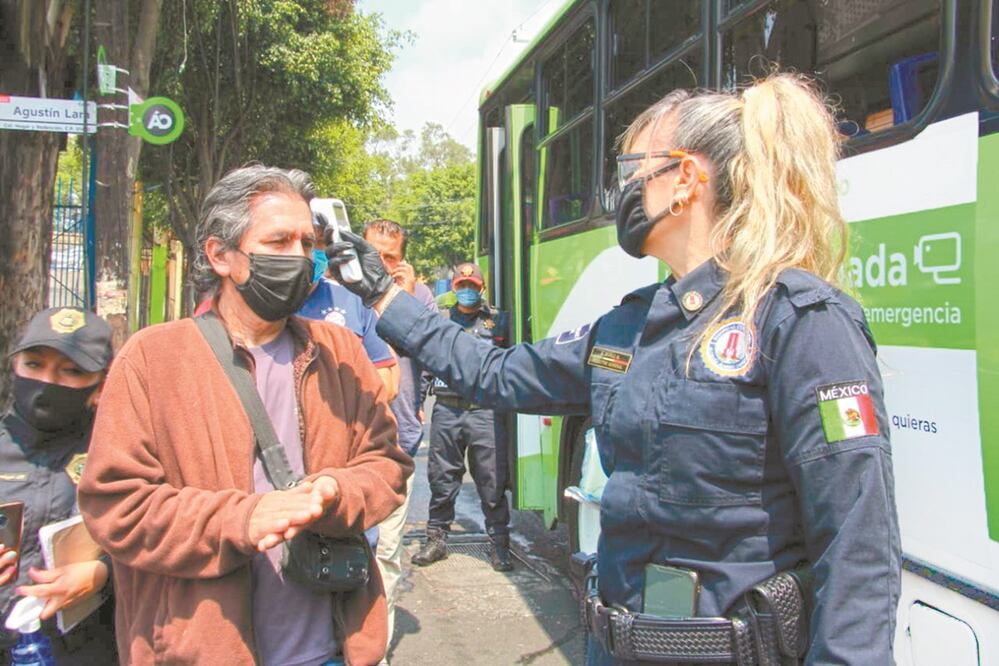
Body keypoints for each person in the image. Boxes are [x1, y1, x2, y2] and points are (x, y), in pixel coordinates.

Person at [327, 74, 901, 665]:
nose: (622, 188)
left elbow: (857, 545)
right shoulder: (631, 326)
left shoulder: (802, 320)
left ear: (685, 178)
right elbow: (496, 373)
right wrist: (383, 296)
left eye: (633, 169)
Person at [77, 165, 413, 666]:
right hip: (201, 651)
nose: (299, 257)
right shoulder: (152, 359)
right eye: (279, 242)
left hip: (331, 648)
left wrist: (335, 492)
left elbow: (387, 465)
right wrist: (241, 518)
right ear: (221, 255)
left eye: (307, 243)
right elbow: (117, 506)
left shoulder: (340, 350)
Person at [0, 307, 116, 664]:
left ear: (101, 385)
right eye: (34, 364)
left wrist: (103, 575)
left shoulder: (121, 454)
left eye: (72, 371)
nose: (47, 381)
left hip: (86, 648)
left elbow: (158, 544)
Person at [397, 261, 514, 573]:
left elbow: (511, 362)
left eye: (472, 287)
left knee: (492, 480)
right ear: (453, 288)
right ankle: (436, 540)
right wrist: (418, 401)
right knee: (442, 477)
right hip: (447, 410)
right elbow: (427, 362)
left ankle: (499, 544)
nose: (467, 291)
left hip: (485, 411)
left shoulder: (498, 321)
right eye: (461, 286)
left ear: (481, 288)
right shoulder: (441, 321)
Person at [361, 219, 436, 660]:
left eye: (391, 257)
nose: (382, 264)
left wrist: (403, 302)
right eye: (375, 254)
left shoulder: (418, 297)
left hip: (398, 441)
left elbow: (433, 353)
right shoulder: (342, 293)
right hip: (346, 443)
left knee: (386, 552)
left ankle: (375, 649)